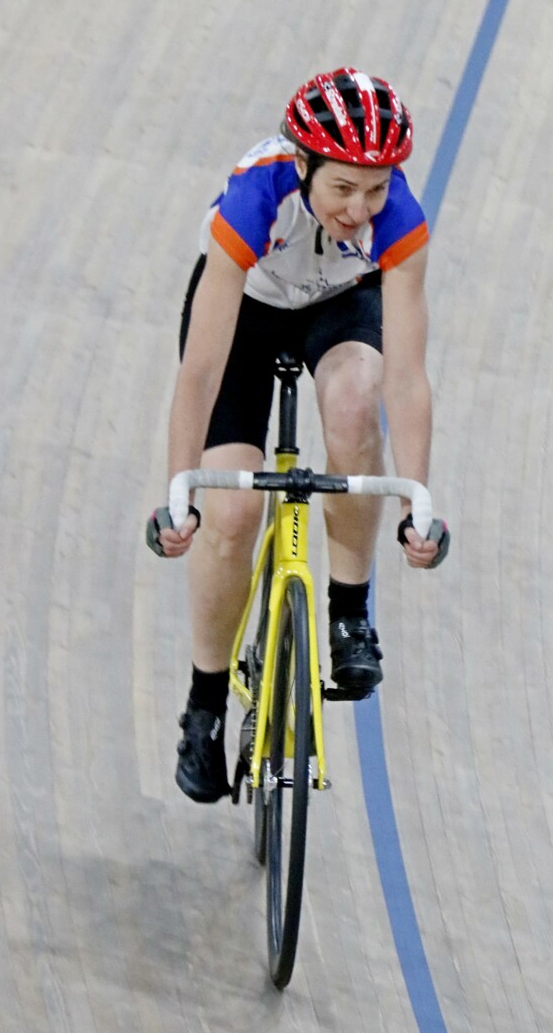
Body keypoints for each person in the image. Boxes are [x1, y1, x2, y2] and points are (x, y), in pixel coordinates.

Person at [147, 67, 448, 804]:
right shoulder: (257, 197)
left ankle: (349, 615)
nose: (358, 209)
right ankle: (204, 706)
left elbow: (407, 378)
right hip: (247, 315)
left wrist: (418, 502)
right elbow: (202, 369)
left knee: (354, 402)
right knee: (232, 514)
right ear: (304, 164)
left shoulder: (399, 218)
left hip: (339, 307)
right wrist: (180, 493)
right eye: (342, 187)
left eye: (374, 190)